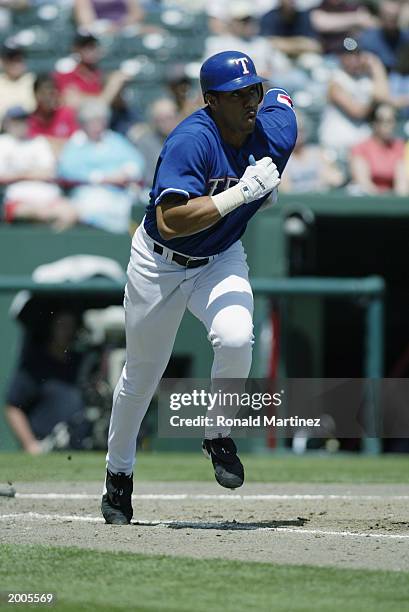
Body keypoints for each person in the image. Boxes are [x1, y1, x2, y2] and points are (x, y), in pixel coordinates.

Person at [100, 50, 297, 525]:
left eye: (253, 90)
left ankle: (218, 435)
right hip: (159, 263)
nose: (249, 101)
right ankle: (118, 475)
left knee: (235, 336)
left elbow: (285, 101)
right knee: (142, 375)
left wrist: (274, 98)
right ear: (211, 101)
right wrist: (241, 194)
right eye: (236, 95)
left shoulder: (276, 129)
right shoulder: (192, 138)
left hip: (220, 258)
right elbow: (169, 222)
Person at [5, 310, 89, 454]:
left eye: (71, 326)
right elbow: (13, 407)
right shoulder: (35, 366)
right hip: (47, 447)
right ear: (51, 329)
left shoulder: (83, 363)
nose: (67, 332)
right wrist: (30, 445)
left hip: (82, 449)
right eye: (62, 326)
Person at [57, 99, 145, 232]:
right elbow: (66, 170)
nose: (97, 126)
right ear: (83, 123)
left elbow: (137, 162)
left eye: (101, 121)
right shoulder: (76, 143)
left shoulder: (115, 140)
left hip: (121, 193)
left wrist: (125, 173)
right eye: (93, 121)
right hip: (89, 193)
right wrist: (101, 178)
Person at [319, 39, 389, 157]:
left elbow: (384, 96)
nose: (354, 60)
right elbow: (358, 112)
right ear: (341, 57)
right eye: (349, 56)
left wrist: (377, 66)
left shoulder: (365, 79)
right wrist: (375, 98)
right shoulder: (335, 79)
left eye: (357, 55)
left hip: (361, 146)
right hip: (336, 147)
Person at [349, 103, 408, 195]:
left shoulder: (399, 147)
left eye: (391, 120)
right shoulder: (361, 148)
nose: (387, 125)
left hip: (392, 200)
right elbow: (363, 183)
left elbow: (402, 184)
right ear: (373, 123)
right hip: (368, 201)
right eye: (382, 120)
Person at [280, 110, 343, 192]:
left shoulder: (318, 153)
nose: (297, 135)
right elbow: (284, 188)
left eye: (300, 130)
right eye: (292, 130)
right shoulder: (283, 158)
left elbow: (336, 179)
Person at [128, 97, 179, 186]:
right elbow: (148, 177)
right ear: (154, 121)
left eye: (170, 117)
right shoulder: (145, 142)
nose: (167, 123)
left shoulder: (186, 138)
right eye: (161, 119)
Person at [28, 74, 79, 155]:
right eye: (45, 93)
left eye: (53, 93)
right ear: (36, 95)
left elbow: (76, 143)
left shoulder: (68, 114)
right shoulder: (29, 120)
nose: (50, 98)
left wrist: (46, 141)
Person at [358, 0, 409, 72]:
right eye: (388, 16)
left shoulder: (405, 37)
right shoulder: (368, 40)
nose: (391, 19)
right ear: (380, 16)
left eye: (395, 17)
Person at [0, 41, 36, 121]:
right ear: (2, 61)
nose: (15, 62)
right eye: (11, 58)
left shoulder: (34, 81)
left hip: (31, 130)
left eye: (19, 58)